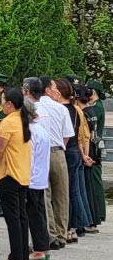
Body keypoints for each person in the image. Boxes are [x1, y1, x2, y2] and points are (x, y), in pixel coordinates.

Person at [0, 87, 33, 260]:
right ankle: (23, 254)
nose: (1, 104)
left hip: (9, 174)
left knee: (13, 218)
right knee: (21, 216)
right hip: (22, 174)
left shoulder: (8, 122)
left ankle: (15, 257)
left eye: (2, 100)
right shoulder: (21, 120)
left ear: (9, 104)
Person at [54, 78, 92, 243]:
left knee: (65, 192)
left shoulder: (62, 110)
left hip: (67, 151)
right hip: (76, 151)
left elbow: (65, 136)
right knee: (74, 191)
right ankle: (78, 226)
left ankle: (69, 227)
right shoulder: (75, 109)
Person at [38, 76, 74, 249]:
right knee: (61, 195)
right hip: (58, 153)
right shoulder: (61, 109)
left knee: (46, 195)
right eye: (53, 87)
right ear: (46, 90)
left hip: (41, 154)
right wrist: (59, 148)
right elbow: (66, 135)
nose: (57, 91)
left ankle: (50, 234)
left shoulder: (34, 107)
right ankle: (61, 234)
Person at [21, 78, 52, 260]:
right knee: (39, 211)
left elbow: (29, 157)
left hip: (32, 177)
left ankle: (40, 248)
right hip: (40, 175)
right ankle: (43, 246)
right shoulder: (41, 128)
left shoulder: (32, 132)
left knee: (34, 213)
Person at [79, 87, 101, 232]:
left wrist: (84, 155)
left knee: (85, 188)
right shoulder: (92, 111)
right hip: (92, 150)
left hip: (87, 152)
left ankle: (88, 220)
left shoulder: (83, 113)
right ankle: (93, 219)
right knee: (89, 186)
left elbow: (84, 137)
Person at [85, 79, 106, 223]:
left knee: (96, 179)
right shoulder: (95, 105)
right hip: (93, 145)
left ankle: (99, 211)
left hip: (95, 146)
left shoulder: (97, 107)